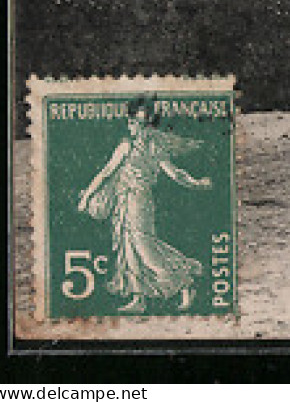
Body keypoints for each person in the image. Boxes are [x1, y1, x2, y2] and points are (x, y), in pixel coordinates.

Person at [77, 99, 213, 313]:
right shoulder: (125, 146)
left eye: (140, 122)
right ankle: (138, 299)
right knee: (128, 248)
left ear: (149, 124)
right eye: (132, 122)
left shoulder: (154, 147)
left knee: (145, 248)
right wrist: (87, 196)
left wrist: (196, 183)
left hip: (141, 201)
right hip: (123, 201)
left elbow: (175, 173)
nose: (135, 126)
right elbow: (106, 173)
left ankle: (184, 281)